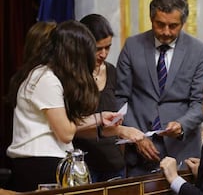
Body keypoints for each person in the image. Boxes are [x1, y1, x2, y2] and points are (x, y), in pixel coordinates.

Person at [6, 20, 125, 192]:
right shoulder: (45, 79)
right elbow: (66, 132)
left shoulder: (50, 77)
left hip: (51, 160)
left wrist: (99, 118)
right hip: (39, 163)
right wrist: (97, 119)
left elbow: (65, 123)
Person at [116, 0, 203, 176]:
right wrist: (136, 136)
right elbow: (120, 97)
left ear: (182, 23)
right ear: (151, 18)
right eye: (160, 24)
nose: (166, 32)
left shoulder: (200, 52)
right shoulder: (132, 46)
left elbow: (200, 103)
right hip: (139, 153)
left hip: (183, 153)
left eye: (173, 26)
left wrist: (182, 124)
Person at [73, 14, 143, 182]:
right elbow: (69, 126)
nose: (103, 54)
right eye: (98, 49)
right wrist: (117, 130)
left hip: (113, 162)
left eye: (108, 47)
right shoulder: (72, 76)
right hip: (83, 164)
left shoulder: (112, 71)